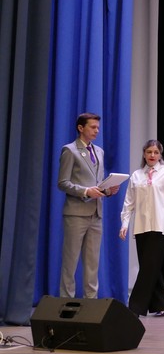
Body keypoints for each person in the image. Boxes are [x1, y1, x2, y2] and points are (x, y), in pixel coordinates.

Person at [58, 112, 120, 298]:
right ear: (80, 128)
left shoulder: (99, 151)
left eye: (98, 128)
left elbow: (97, 184)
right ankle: (66, 301)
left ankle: (90, 303)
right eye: (93, 127)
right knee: (70, 261)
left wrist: (107, 190)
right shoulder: (70, 150)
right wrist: (85, 191)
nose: (96, 131)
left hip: (96, 214)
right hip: (76, 214)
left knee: (92, 263)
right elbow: (62, 183)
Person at [119, 140, 164, 317]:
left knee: (148, 268)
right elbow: (129, 203)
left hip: (160, 226)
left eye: (155, 152)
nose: (152, 155)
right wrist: (124, 223)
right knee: (150, 267)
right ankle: (162, 303)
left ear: (160, 154)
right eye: (149, 152)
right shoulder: (136, 175)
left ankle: (134, 308)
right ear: (144, 154)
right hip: (141, 227)